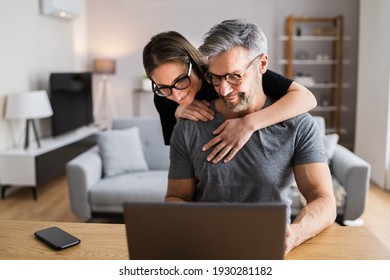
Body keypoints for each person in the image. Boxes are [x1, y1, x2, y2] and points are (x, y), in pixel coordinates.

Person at [165, 19, 336, 255]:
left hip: (271, 246)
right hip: (203, 246)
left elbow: (323, 200)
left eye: (235, 76)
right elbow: (176, 197)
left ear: (262, 64)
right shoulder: (190, 124)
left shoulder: (298, 125)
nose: (223, 90)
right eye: (215, 77)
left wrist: (294, 235)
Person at [143, 30, 317, 164]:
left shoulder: (224, 72)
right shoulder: (162, 98)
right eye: (163, 87)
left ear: (194, 65)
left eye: (181, 80)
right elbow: (181, 156)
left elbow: (306, 98)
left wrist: (247, 124)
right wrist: (177, 115)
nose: (176, 94)